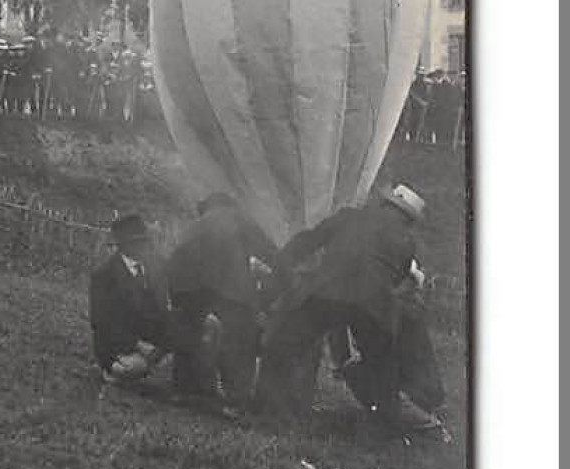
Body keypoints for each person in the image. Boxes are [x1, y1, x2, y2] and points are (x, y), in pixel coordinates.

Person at [257, 184, 436, 431]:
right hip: (374, 305)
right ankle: (391, 423)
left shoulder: (348, 216)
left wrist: (283, 268)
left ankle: (271, 412)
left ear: (384, 204)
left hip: (328, 291)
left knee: (283, 343)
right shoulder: (406, 242)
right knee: (382, 369)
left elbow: (307, 241)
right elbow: (396, 281)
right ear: (407, 218)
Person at [164, 193, 277, 405]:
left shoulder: (197, 224)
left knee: (191, 331)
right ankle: (236, 398)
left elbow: (175, 260)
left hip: (185, 286)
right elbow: (268, 251)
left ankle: (184, 390)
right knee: (240, 337)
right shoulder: (239, 218)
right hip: (227, 287)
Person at [89, 214, 177, 384]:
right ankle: (113, 368)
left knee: (207, 324)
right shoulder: (104, 275)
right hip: (119, 345)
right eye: (138, 242)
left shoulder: (155, 265)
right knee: (134, 368)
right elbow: (101, 322)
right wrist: (138, 345)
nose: (145, 247)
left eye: (145, 241)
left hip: (153, 336)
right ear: (123, 246)